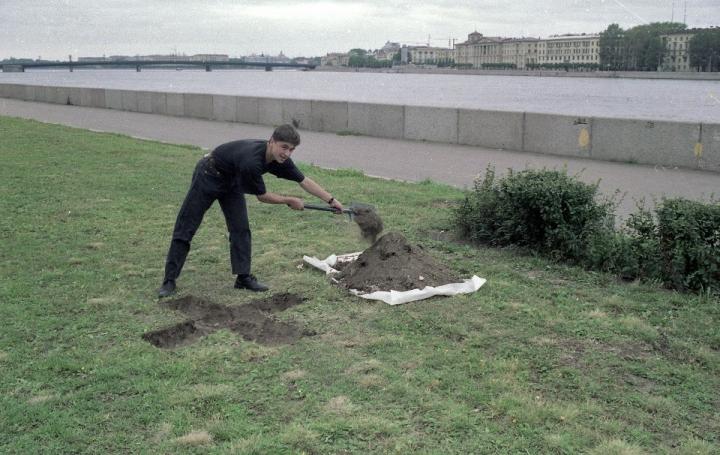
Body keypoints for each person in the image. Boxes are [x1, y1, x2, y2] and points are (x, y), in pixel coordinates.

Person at [157, 124, 343, 298]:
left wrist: (331, 200)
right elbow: (261, 196)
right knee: (187, 226)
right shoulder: (251, 161)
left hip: (232, 181)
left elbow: (303, 181)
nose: (287, 153)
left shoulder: (280, 160)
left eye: (292, 149)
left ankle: (243, 277)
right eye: (284, 147)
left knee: (240, 229)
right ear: (271, 142)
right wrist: (289, 200)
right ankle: (169, 280)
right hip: (209, 174)